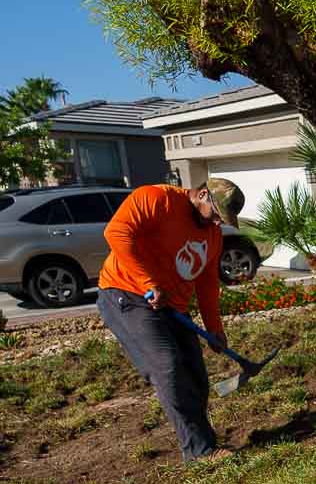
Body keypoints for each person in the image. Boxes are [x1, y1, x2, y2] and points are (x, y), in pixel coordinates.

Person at [95, 177, 244, 461]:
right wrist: (149, 282)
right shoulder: (155, 198)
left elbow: (207, 284)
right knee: (169, 367)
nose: (216, 223)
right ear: (202, 195)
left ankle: (204, 441)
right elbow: (116, 233)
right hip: (127, 294)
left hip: (172, 305)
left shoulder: (212, 236)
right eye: (216, 215)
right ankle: (200, 451)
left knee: (196, 376)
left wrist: (215, 328)